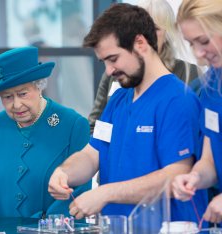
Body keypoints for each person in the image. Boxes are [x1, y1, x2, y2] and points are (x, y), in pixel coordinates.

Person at [48, 3, 207, 223]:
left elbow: (176, 175)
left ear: (140, 43)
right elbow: (92, 154)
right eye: (104, 62)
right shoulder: (119, 99)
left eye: (113, 59)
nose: (109, 71)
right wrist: (64, 173)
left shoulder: (178, 100)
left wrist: (105, 193)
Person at [0, 46, 91, 218]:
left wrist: (42, 227)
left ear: (39, 86)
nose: (17, 104)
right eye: (7, 97)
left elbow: (78, 194)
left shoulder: (72, 125)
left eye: (23, 94)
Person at [88, 0, 201, 133]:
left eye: (154, 29)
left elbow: (194, 130)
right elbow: (95, 126)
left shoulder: (188, 73)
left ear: (167, 33)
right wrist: (111, 148)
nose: (145, 37)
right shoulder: (116, 72)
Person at [172, 0, 222, 225]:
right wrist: (195, 177)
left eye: (203, 41)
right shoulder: (212, 84)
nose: (199, 54)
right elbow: (210, 161)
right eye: (191, 44)